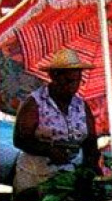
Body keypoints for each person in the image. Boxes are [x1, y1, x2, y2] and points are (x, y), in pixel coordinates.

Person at [12, 48, 101, 193]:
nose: (73, 86)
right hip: (35, 178)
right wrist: (49, 150)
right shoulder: (34, 103)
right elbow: (20, 139)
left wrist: (90, 167)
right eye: (68, 81)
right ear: (54, 76)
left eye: (77, 81)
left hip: (66, 178)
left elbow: (90, 142)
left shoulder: (81, 105)